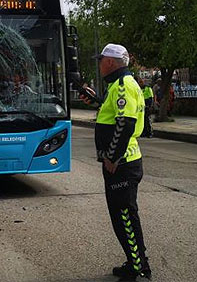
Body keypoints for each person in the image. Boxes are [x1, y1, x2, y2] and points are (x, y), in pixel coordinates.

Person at [80, 44, 151, 281]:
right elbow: (114, 115)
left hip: (123, 163)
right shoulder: (120, 86)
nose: (99, 64)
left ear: (110, 62)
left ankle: (138, 266)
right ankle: (136, 260)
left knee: (124, 217)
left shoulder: (123, 86)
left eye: (100, 60)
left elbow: (125, 124)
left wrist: (112, 156)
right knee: (123, 215)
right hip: (124, 161)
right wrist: (96, 101)